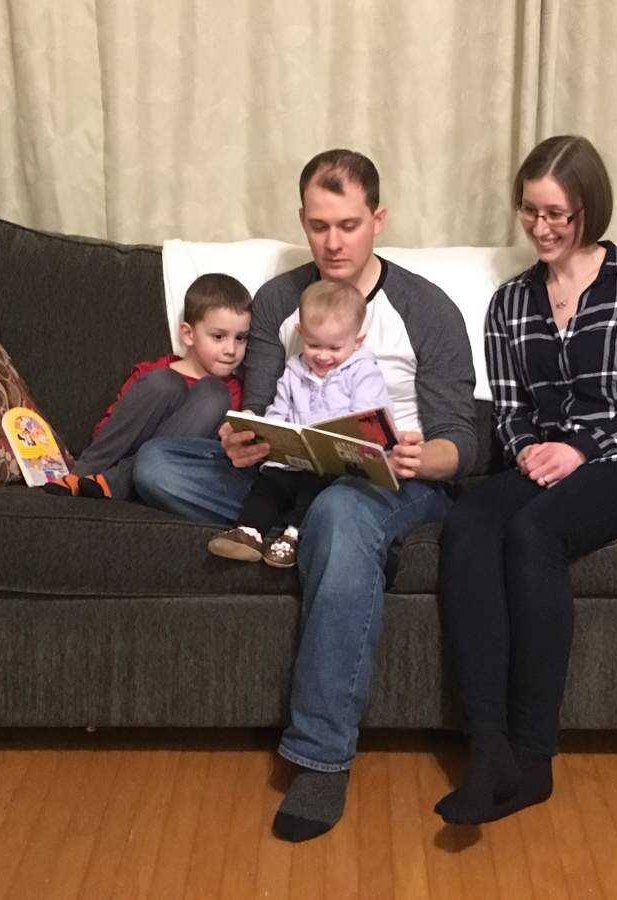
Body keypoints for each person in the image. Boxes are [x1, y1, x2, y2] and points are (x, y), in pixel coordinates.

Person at [133, 149, 476, 842]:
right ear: (302, 222)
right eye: (319, 225)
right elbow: (258, 404)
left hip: (390, 481)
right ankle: (295, 527)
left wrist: (421, 454)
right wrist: (244, 438)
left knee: (341, 509)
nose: (333, 242)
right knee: (161, 463)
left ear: (377, 220)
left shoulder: (425, 309)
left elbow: (462, 442)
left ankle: (321, 756)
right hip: (291, 469)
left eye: (348, 224)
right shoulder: (281, 301)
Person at [434, 135, 617, 826]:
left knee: (534, 531)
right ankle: (487, 747)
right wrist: (529, 453)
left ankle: (533, 757)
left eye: (558, 213)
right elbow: (515, 413)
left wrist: (580, 448)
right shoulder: (510, 304)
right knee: (468, 522)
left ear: (590, 209)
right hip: (552, 461)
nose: (542, 228)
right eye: (530, 212)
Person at [207, 279, 390, 567]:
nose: (323, 355)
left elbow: (366, 418)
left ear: (357, 341)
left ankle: (294, 535)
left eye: (335, 347)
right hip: (293, 458)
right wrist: (269, 432)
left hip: (334, 466)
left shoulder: (364, 371)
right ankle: (248, 531)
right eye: (313, 344)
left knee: (317, 489)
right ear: (300, 333)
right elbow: (280, 408)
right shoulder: (294, 370)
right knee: (271, 483)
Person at [44, 273, 251, 500]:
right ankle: (80, 474)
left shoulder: (235, 392)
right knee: (166, 382)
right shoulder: (153, 373)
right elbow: (107, 431)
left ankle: (120, 481)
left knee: (214, 393)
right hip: (103, 468)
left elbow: (216, 458)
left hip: (162, 474)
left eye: (241, 338)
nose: (231, 349)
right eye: (219, 336)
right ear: (188, 334)